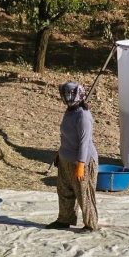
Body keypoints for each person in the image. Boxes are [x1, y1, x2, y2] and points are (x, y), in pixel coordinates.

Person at [46, 82, 99, 233]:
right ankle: (64, 219)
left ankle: (91, 224)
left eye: (69, 94)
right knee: (64, 191)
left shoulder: (83, 116)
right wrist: (59, 154)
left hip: (82, 161)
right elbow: (65, 136)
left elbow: (84, 143)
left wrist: (81, 164)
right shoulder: (69, 112)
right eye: (65, 94)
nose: (66, 97)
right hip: (65, 159)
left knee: (84, 194)